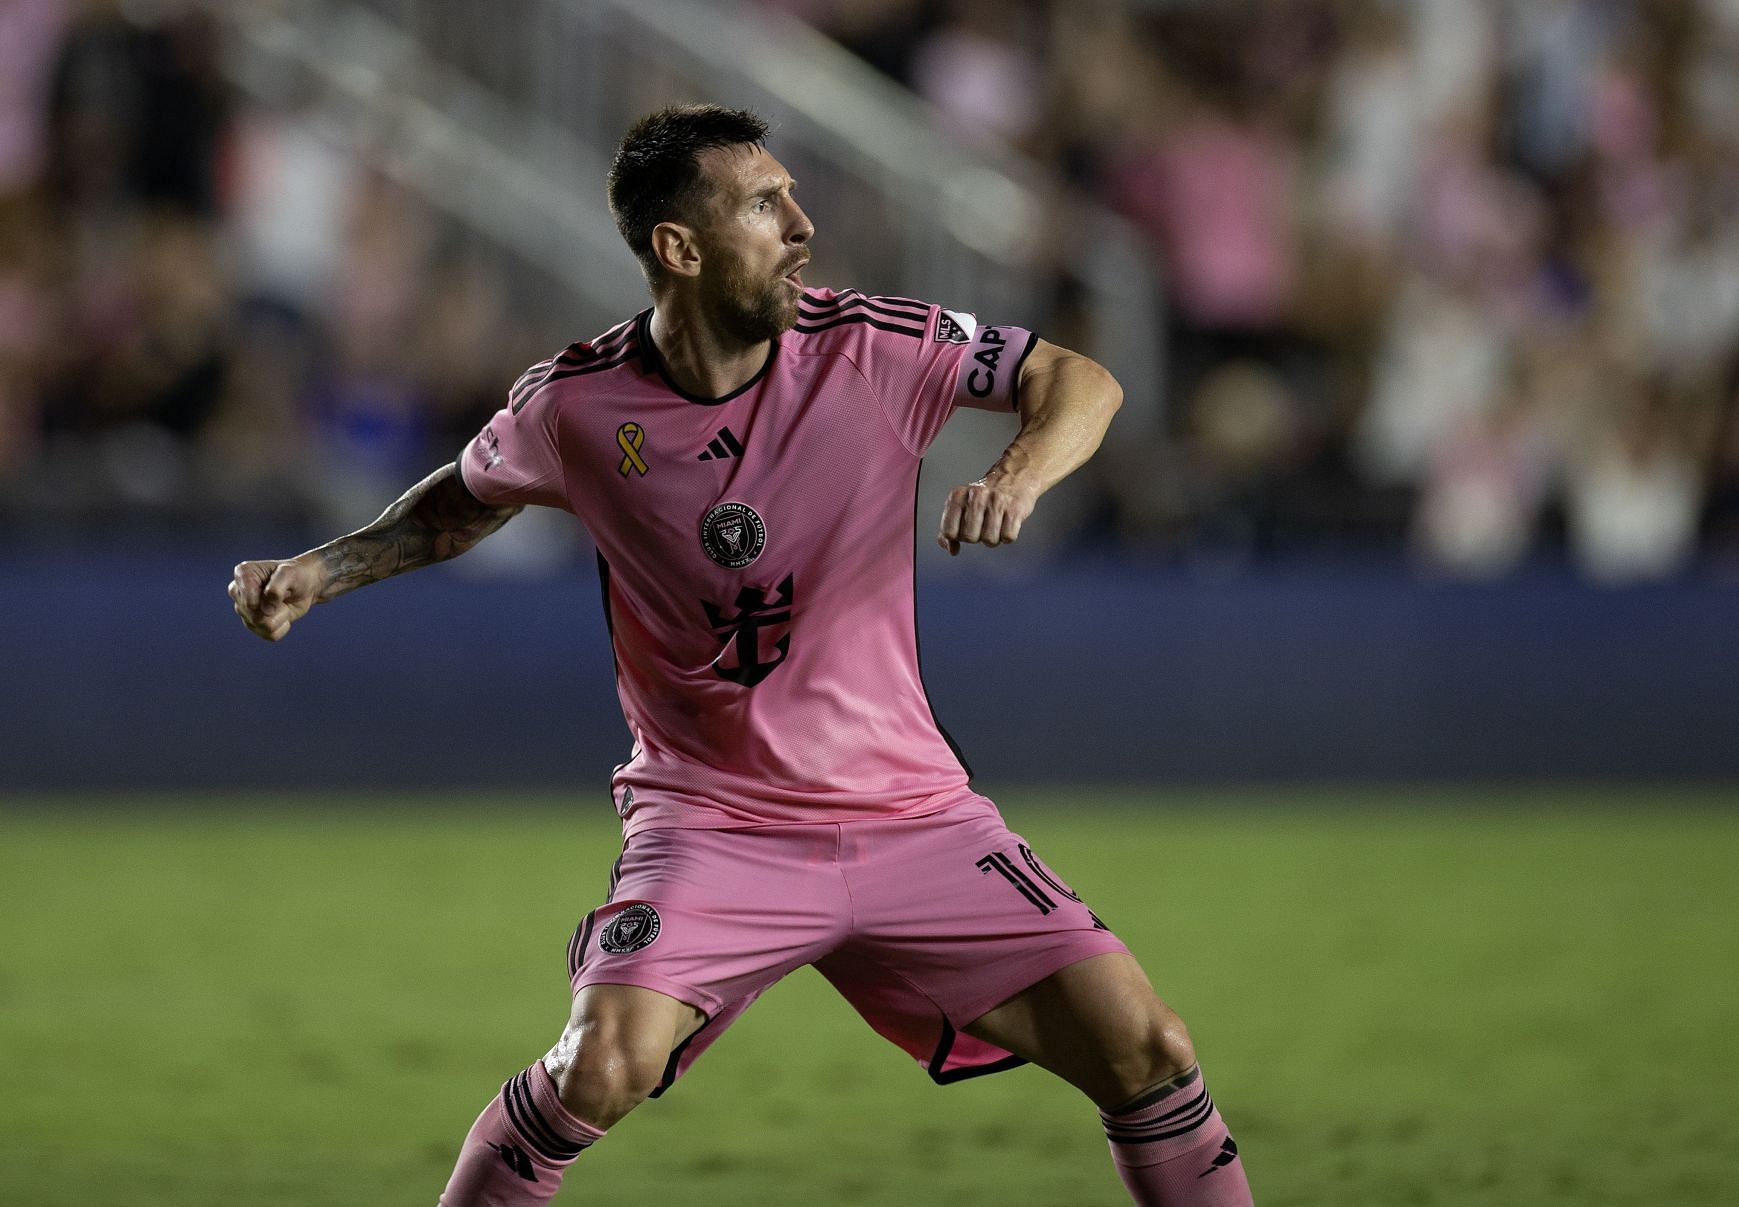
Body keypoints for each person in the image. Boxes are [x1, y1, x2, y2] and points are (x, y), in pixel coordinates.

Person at [229, 104, 1253, 1206]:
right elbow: (458, 508)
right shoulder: (577, 406)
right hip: (715, 824)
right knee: (598, 1066)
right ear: (681, 248)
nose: (803, 226)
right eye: (766, 206)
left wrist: (1018, 474)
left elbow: (1082, 381)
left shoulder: (872, 345)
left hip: (911, 813)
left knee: (1148, 1048)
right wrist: (322, 572)